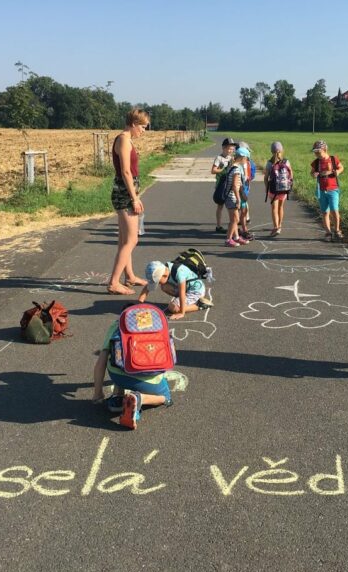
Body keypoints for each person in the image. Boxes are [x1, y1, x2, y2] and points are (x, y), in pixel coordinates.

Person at [91, 311, 174, 430]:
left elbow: (101, 362)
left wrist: (98, 393)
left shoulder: (117, 326)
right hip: (148, 380)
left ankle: (118, 398)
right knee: (166, 397)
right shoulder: (157, 324)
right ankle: (140, 398)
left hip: (118, 376)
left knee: (116, 355)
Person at [106, 108, 150, 295]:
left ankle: (130, 276)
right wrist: (134, 198)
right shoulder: (123, 140)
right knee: (132, 239)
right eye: (143, 127)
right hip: (125, 194)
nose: (144, 131)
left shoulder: (126, 139)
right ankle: (113, 283)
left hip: (126, 192)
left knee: (125, 239)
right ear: (133, 123)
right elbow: (125, 171)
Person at [139, 260, 212, 319]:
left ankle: (200, 305)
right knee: (164, 287)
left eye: (158, 282)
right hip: (187, 289)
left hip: (196, 291)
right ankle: (186, 302)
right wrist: (138, 306)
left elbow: (182, 292)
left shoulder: (179, 273)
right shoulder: (164, 269)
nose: (158, 284)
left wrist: (181, 313)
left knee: (173, 308)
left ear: (164, 275)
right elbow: (147, 288)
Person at [310, 140, 343, 242]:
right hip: (321, 190)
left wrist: (338, 171)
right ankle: (328, 232)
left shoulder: (333, 159)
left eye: (318, 151)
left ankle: (337, 230)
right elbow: (312, 173)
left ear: (324, 149)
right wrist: (313, 174)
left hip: (333, 189)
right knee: (324, 212)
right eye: (315, 152)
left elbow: (341, 167)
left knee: (334, 210)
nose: (316, 153)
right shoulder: (316, 162)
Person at [264, 141, 293, 236]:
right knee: (281, 207)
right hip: (284, 189)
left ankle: (275, 227)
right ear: (282, 150)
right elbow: (291, 174)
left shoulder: (270, 163)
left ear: (271, 151)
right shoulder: (286, 161)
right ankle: (279, 226)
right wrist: (289, 184)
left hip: (273, 189)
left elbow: (266, 177)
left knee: (274, 208)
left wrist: (267, 188)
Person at [224, 147, 251, 247]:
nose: (246, 161)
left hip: (229, 196)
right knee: (234, 219)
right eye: (246, 158)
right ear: (242, 157)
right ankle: (228, 239)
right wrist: (238, 199)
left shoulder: (232, 166)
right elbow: (235, 186)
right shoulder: (236, 170)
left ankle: (236, 237)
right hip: (232, 197)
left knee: (234, 219)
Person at [212, 137, 236, 233]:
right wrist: (222, 169)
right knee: (220, 206)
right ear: (223, 148)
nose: (230, 151)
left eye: (232, 149)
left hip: (229, 185)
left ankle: (233, 225)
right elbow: (213, 170)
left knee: (231, 206)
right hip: (221, 185)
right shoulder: (219, 158)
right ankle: (218, 225)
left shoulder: (231, 158)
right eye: (229, 149)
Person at [237, 140, 256, 240]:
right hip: (239, 192)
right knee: (237, 213)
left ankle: (243, 230)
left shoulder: (246, 164)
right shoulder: (236, 167)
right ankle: (236, 233)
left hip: (243, 190)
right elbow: (236, 183)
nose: (247, 159)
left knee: (243, 211)